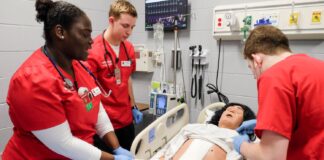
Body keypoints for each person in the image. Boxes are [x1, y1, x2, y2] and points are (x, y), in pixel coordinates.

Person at [2, 0, 133, 159]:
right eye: (85, 34)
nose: (91, 40)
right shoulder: (32, 81)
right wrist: (113, 158)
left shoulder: (80, 67)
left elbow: (96, 107)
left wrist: (116, 147)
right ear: (60, 32)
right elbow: (63, 143)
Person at [233, 25, 324, 159]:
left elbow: (270, 157)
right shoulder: (318, 66)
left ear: (257, 60)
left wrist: (241, 145)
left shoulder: (275, 77)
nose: (254, 76)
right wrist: (264, 126)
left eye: (251, 68)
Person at [87, 0, 143, 151]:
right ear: (111, 21)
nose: (129, 32)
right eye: (125, 26)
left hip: (126, 119)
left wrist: (133, 106)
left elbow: (128, 78)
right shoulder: (92, 51)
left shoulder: (129, 48)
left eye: (132, 27)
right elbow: (89, 90)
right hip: (105, 125)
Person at [154, 103, 256, 160]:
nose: (231, 110)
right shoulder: (194, 128)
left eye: (238, 111)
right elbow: (167, 150)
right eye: (228, 109)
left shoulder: (239, 140)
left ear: (245, 121)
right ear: (219, 116)